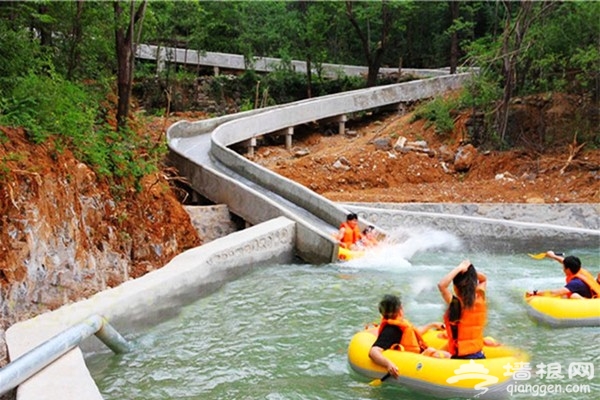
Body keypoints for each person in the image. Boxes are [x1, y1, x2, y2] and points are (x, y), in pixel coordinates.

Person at [369, 294, 449, 379]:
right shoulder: (391, 330)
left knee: (446, 353)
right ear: (400, 309)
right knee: (447, 356)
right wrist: (388, 364)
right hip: (417, 360)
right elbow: (373, 351)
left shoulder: (399, 325)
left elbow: (415, 334)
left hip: (419, 355)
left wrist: (432, 325)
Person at [437, 259, 487, 359]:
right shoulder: (480, 296)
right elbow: (484, 279)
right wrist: (470, 272)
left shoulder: (456, 303)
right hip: (479, 355)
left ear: (455, 287)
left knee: (432, 353)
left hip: (461, 358)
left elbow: (442, 285)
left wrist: (460, 268)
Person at [526, 251, 600, 299]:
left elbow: (554, 293)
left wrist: (535, 292)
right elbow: (563, 261)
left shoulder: (575, 283)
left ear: (567, 269)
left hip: (593, 301)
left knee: (572, 296)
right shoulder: (579, 269)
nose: (563, 268)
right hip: (594, 294)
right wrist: (553, 256)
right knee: (568, 295)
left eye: (564, 267)